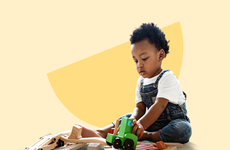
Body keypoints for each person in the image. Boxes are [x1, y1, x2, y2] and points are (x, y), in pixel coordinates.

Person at [77, 23, 192, 144]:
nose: (139, 65)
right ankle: (101, 132)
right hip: (149, 123)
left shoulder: (167, 77)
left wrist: (141, 124)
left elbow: (160, 105)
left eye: (144, 58)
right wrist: (134, 120)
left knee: (183, 129)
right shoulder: (141, 82)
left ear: (160, 55)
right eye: (136, 60)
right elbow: (140, 108)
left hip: (171, 123)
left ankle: (148, 136)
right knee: (127, 117)